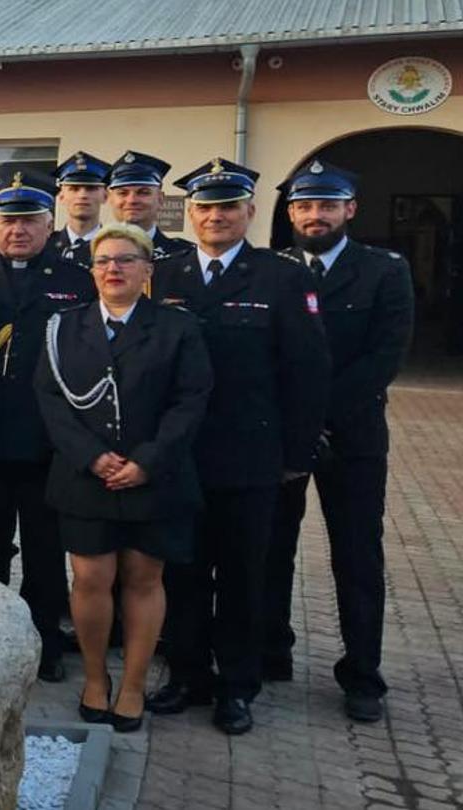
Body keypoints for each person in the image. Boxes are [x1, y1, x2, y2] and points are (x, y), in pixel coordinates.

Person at [143, 158, 330, 735]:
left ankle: (237, 687)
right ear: (191, 214)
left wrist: (297, 455)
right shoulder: (166, 274)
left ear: (249, 213)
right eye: (205, 207)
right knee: (184, 573)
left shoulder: (282, 277)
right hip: (181, 456)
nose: (216, 216)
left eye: (228, 207)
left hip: (252, 459)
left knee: (246, 576)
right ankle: (189, 675)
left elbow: (308, 370)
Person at [35, 223, 213, 733]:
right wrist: (92, 457)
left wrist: (148, 462)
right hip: (85, 476)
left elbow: (191, 400)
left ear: (147, 270)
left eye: (126, 260)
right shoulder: (63, 327)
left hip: (154, 477)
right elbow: (49, 399)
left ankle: (133, 686)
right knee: (91, 579)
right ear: (91, 271)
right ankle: (95, 679)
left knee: (143, 579)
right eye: (103, 261)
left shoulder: (177, 328)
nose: (113, 269)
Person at [264, 161, 414, 722]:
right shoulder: (275, 270)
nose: (314, 215)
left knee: (356, 556)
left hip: (351, 437)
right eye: (304, 206)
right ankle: (270, 650)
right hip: (282, 437)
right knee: (271, 549)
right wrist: (296, 422)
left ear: (350, 210)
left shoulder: (384, 271)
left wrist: (317, 416)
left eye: (327, 205)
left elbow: (385, 356)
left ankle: (362, 675)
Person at [0, 175, 94, 683]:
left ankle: (44, 641)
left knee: (43, 547)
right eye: (8, 220)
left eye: (29, 220)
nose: (18, 230)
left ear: (48, 224)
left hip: (46, 441)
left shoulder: (77, 280)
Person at [107, 151, 196, 263]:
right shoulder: (87, 255)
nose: (132, 200)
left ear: (160, 198)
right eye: (123, 193)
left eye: (143, 192)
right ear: (110, 198)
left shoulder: (186, 255)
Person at [47, 151, 110, 265]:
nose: (82, 195)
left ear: (105, 196)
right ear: (61, 196)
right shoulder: (44, 246)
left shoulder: (117, 245)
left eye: (91, 189)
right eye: (74, 189)